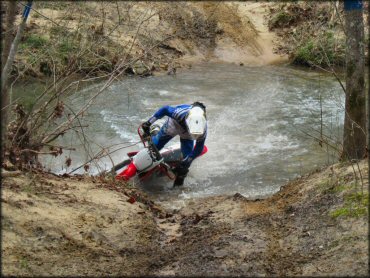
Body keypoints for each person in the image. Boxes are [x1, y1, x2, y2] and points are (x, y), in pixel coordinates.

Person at [142, 101, 207, 186]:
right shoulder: (179, 113)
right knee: (154, 149)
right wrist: (148, 123)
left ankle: (176, 192)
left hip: (188, 134)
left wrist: (187, 162)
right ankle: (155, 131)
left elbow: (199, 148)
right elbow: (165, 109)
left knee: (184, 169)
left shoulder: (203, 129)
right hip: (174, 124)